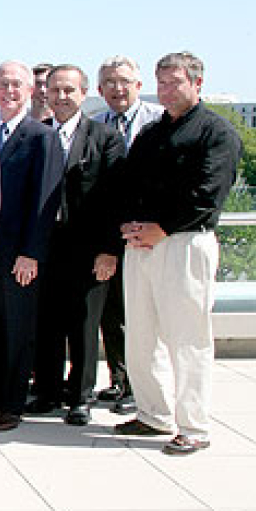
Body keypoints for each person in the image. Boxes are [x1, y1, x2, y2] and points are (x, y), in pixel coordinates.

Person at [115, 52, 242, 455]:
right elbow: (128, 183)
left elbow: (207, 195)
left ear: (197, 84)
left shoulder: (217, 133)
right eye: (162, 83)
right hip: (141, 246)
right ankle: (153, 414)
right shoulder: (151, 134)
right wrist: (130, 225)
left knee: (187, 339)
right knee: (140, 335)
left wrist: (162, 228)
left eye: (175, 82)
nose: (167, 90)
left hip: (185, 243)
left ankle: (194, 426)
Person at [0, 61, 64, 432]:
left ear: (29, 91)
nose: (8, 91)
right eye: (2, 84)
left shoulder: (41, 136)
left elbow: (44, 200)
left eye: (15, 85)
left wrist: (31, 252)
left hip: (19, 253)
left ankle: (13, 403)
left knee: (18, 329)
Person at [28, 65, 126, 426]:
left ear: (84, 93)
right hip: (45, 248)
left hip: (89, 250)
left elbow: (116, 198)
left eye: (69, 90)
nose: (61, 96)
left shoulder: (104, 138)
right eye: (54, 90)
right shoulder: (37, 136)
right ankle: (47, 392)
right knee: (47, 323)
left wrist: (109, 250)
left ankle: (80, 397)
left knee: (84, 325)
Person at [91, 55, 165, 414]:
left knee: (143, 315)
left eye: (124, 81)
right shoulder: (96, 124)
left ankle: (142, 388)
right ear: (99, 89)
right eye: (109, 82)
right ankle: (120, 380)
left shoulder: (158, 123)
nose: (117, 89)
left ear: (138, 85)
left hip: (149, 234)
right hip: (110, 233)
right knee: (111, 312)